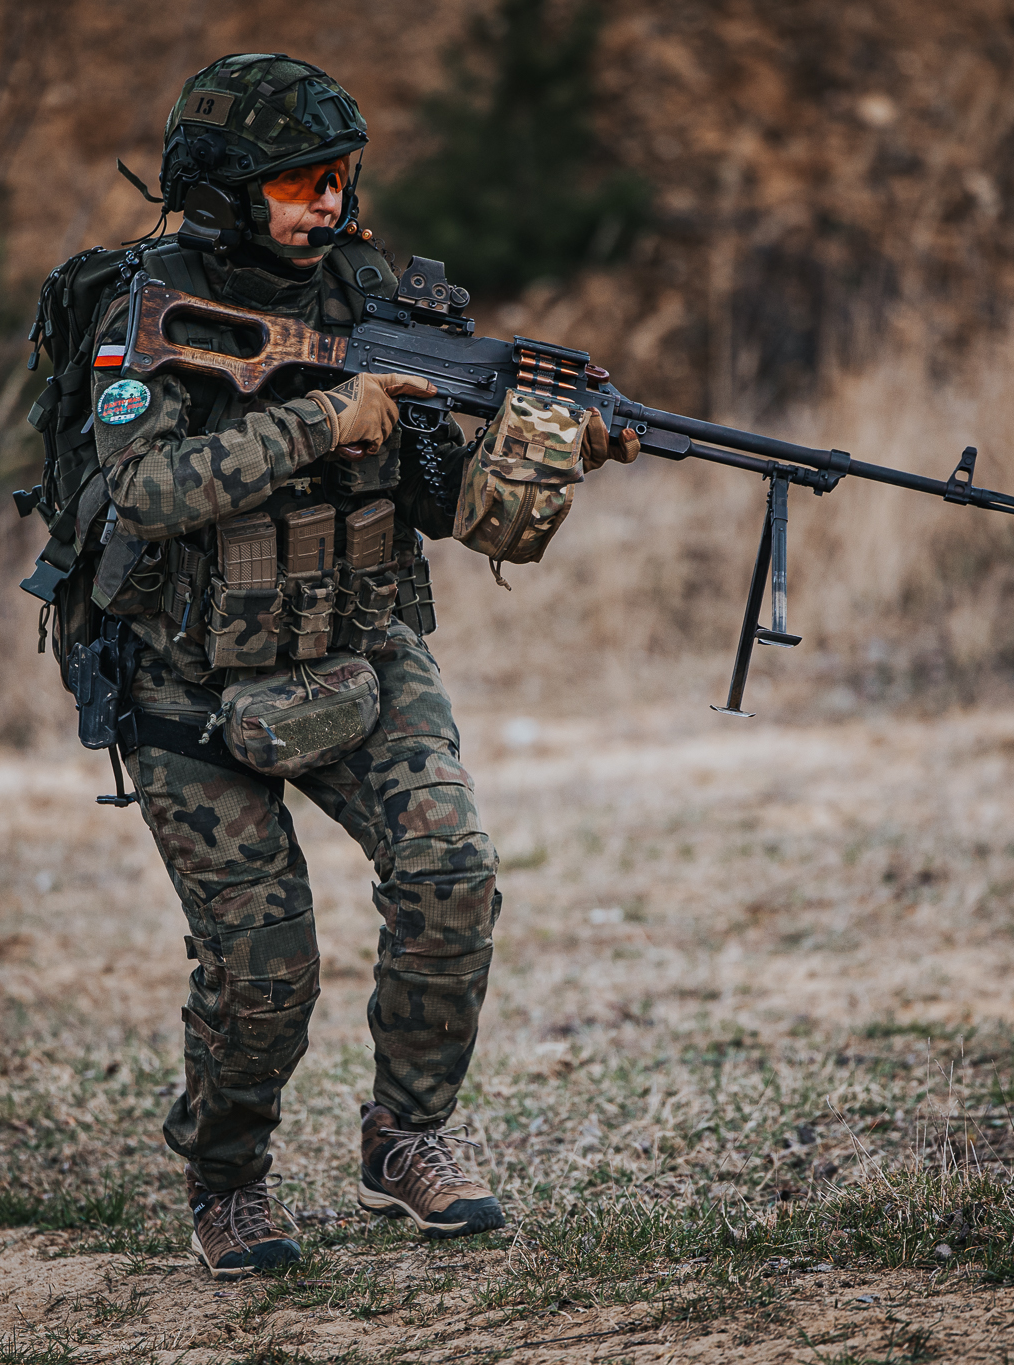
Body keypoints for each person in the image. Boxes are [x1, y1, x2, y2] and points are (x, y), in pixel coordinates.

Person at [77, 55, 630, 1279]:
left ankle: (405, 1139)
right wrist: (326, 416)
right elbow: (149, 488)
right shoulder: (146, 309)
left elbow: (447, 509)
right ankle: (226, 1184)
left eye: (338, 181)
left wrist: (551, 447)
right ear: (227, 189)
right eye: (297, 184)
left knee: (450, 873)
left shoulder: (379, 300)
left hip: (359, 643)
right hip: (185, 680)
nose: (325, 204)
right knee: (264, 969)